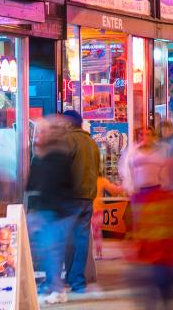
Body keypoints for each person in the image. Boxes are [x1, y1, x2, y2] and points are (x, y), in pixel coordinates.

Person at [26, 116, 74, 304]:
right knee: (46, 250)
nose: (39, 135)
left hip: (55, 210)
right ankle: (52, 285)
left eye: (42, 132)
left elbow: (52, 184)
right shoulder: (45, 154)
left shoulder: (56, 155)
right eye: (38, 132)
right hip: (48, 209)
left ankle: (56, 287)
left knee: (51, 250)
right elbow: (34, 183)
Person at [62, 109, 100, 295]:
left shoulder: (68, 141)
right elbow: (97, 170)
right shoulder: (92, 143)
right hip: (88, 197)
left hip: (71, 198)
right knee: (82, 240)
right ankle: (78, 281)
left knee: (68, 240)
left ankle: (71, 278)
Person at [119, 125, 169, 196]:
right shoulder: (131, 152)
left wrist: (165, 187)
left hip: (157, 191)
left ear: (153, 137)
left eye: (148, 134)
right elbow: (124, 171)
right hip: (137, 192)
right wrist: (129, 188)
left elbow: (166, 171)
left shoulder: (161, 151)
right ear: (137, 136)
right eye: (141, 134)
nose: (144, 137)